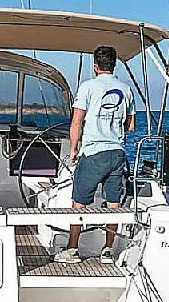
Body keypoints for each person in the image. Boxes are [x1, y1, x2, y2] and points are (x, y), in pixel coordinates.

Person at [54, 46, 135, 264]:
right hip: (117, 154)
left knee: (79, 204)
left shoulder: (88, 87)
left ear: (95, 66)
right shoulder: (126, 90)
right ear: (114, 65)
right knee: (114, 204)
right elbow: (130, 126)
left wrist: (73, 150)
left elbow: (77, 122)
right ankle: (108, 250)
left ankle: (73, 250)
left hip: (93, 153)